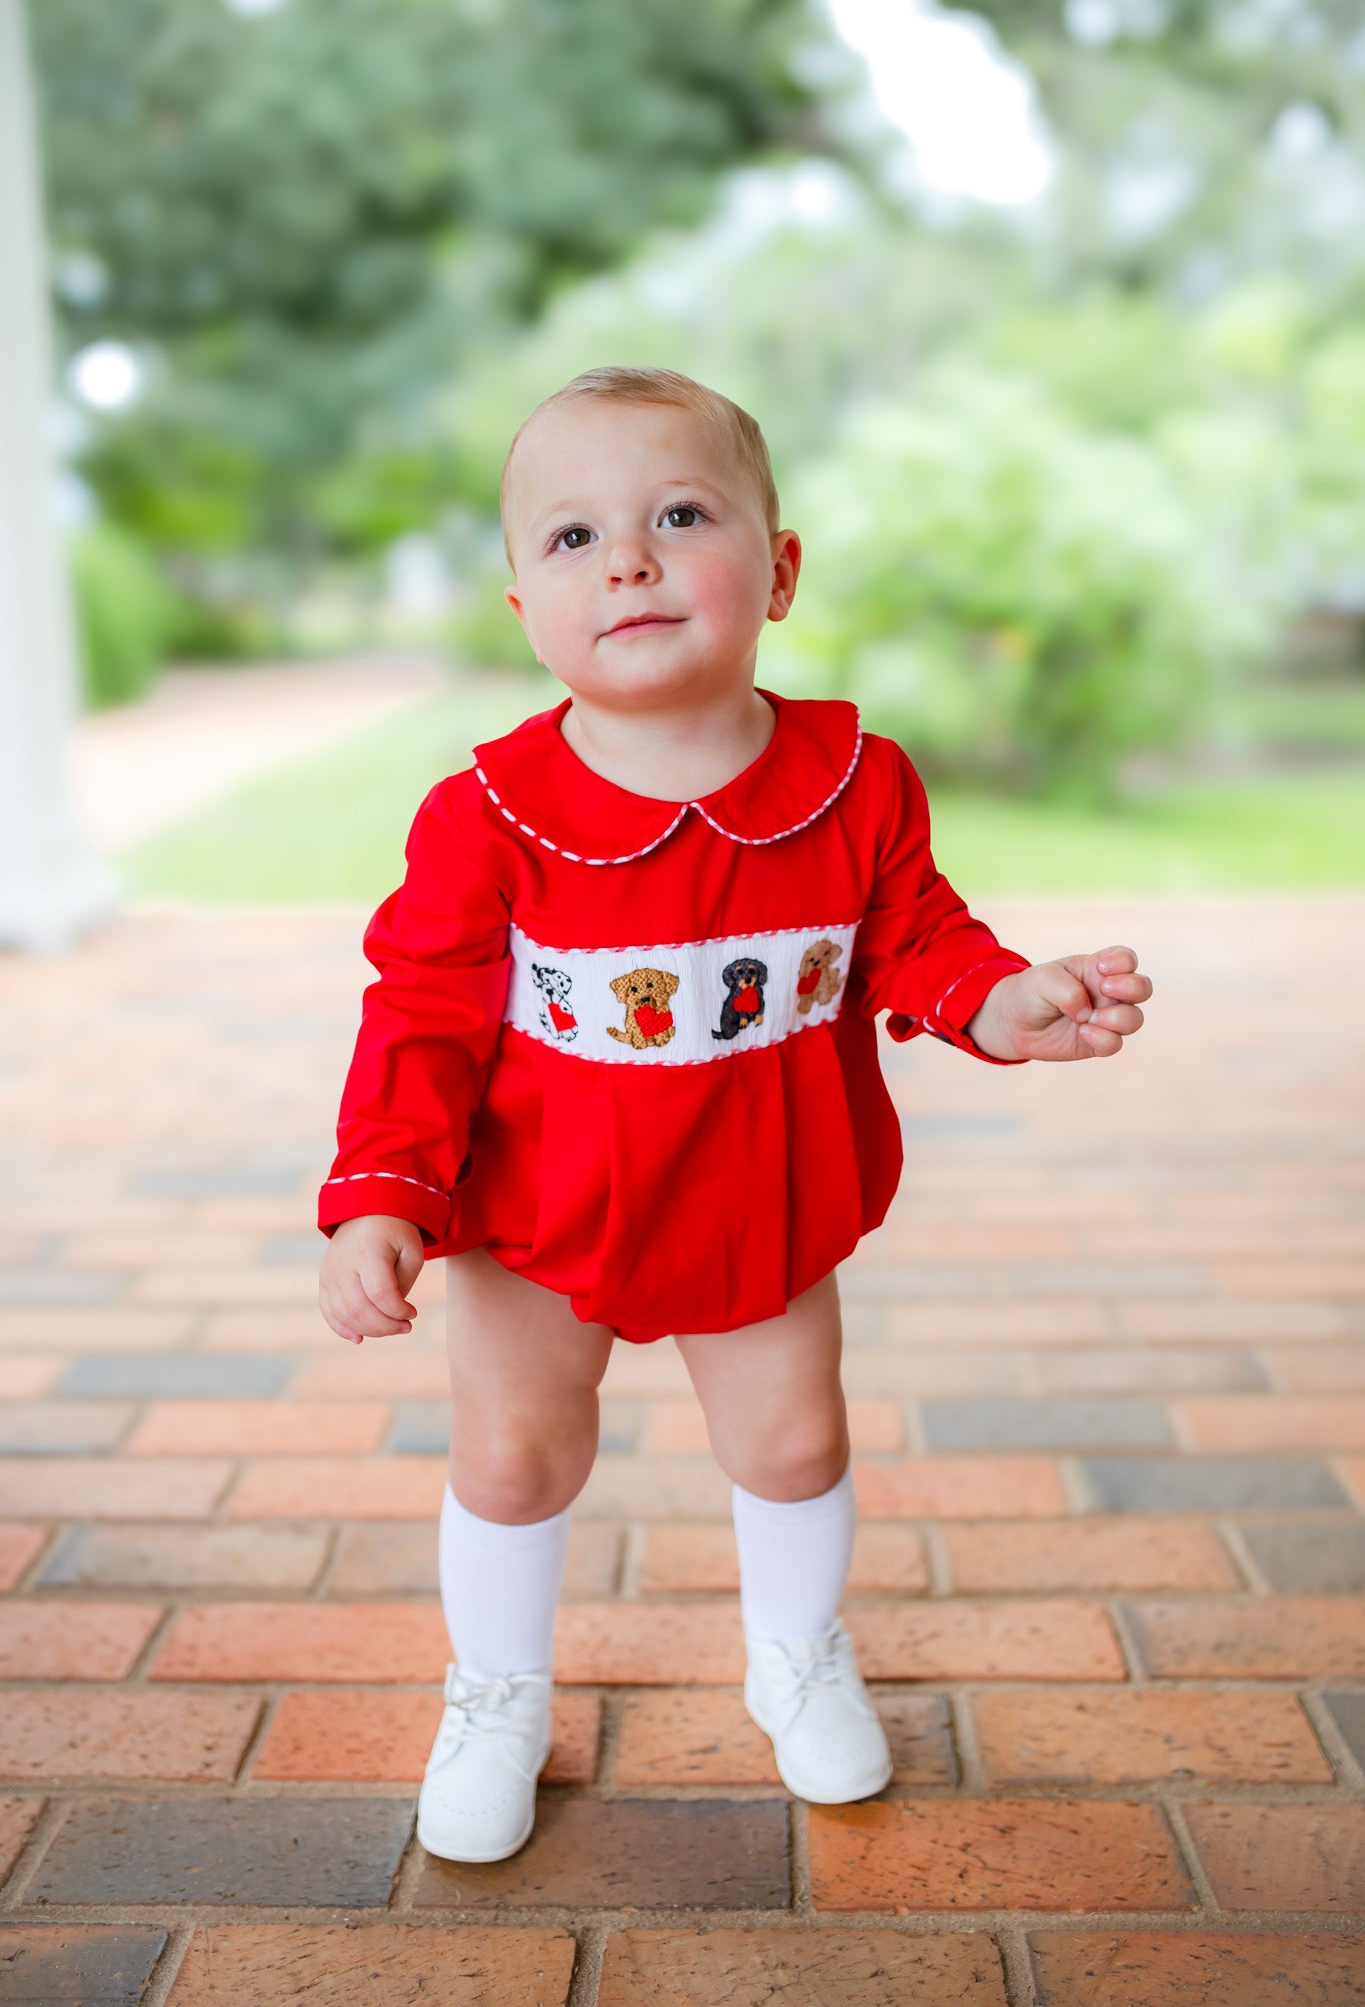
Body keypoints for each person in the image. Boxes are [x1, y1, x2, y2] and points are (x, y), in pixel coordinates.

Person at [316, 365, 1152, 1863]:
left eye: (678, 515)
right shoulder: (485, 815)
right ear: (524, 608)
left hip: (761, 1194)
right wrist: (381, 1189)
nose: (626, 559)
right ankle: (497, 1691)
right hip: (536, 1211)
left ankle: (795, 1654)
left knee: (790, 1441)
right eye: (571, 539)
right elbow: (423, 1014)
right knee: (513, 1455)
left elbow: (918, 937)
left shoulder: (855, 782)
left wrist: (1002, 1002)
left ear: (775, 570)